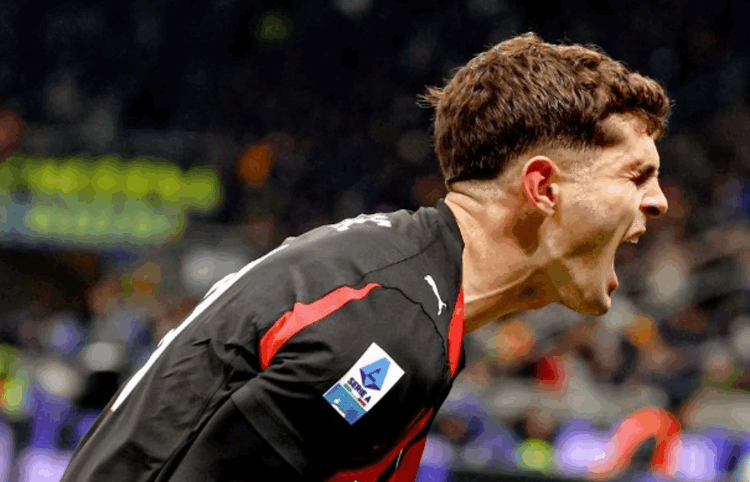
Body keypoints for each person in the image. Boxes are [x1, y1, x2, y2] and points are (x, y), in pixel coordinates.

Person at [60, 32, 670, 482]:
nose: (660, 202)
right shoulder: (389, 326)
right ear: (542, 189)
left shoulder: (402, 284)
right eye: (636, 175)